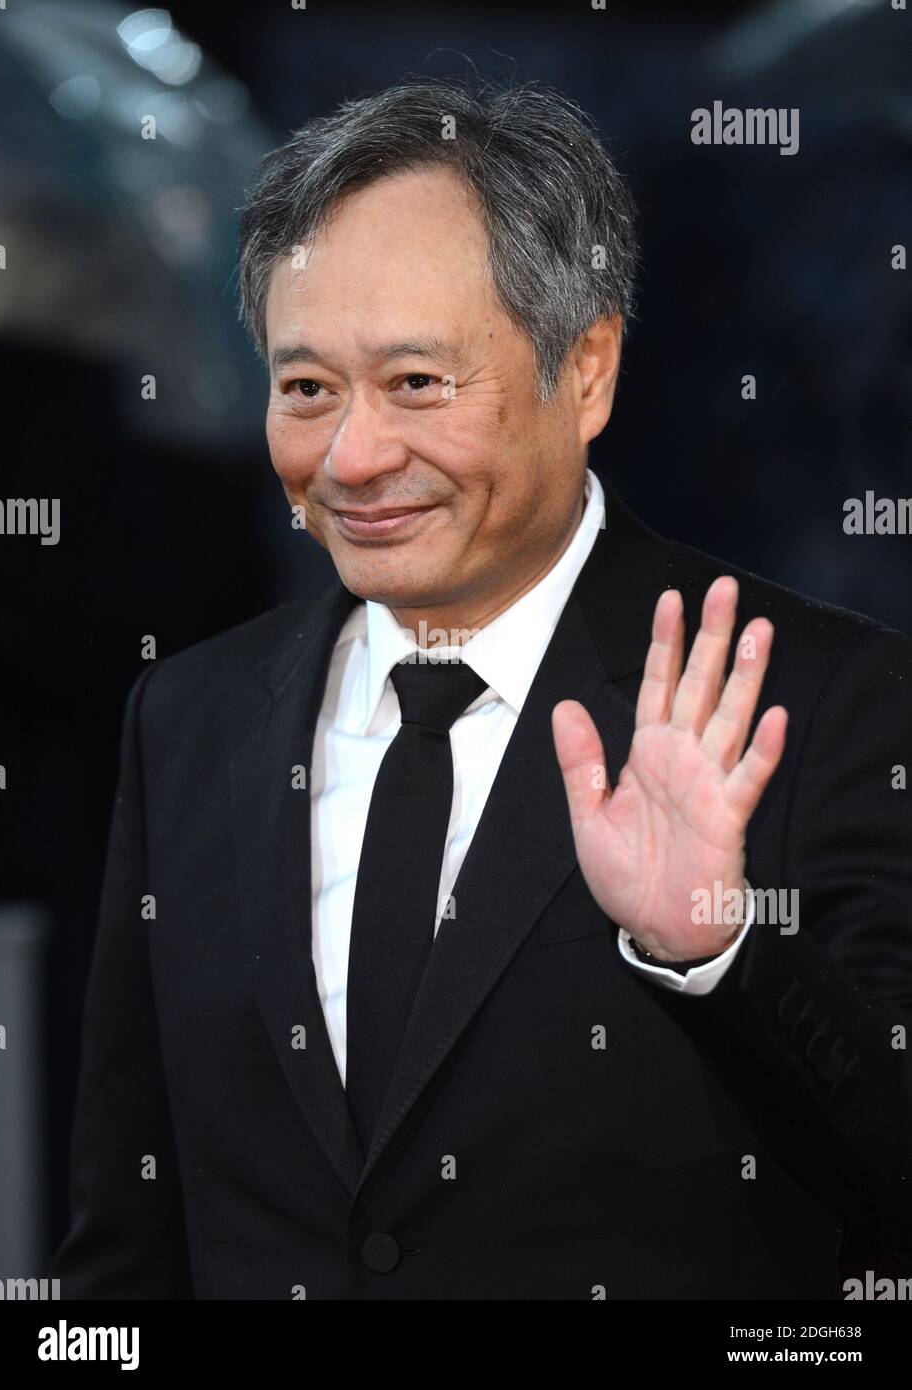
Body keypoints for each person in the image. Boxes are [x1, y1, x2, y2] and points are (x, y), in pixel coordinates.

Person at [49, 78, 912, 1300]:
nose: (349, 459)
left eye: (416, 384)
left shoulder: (822, 699)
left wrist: (722, 953)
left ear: (591, 370)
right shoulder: (189, 717)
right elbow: (128, 1245)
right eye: (305, 389)